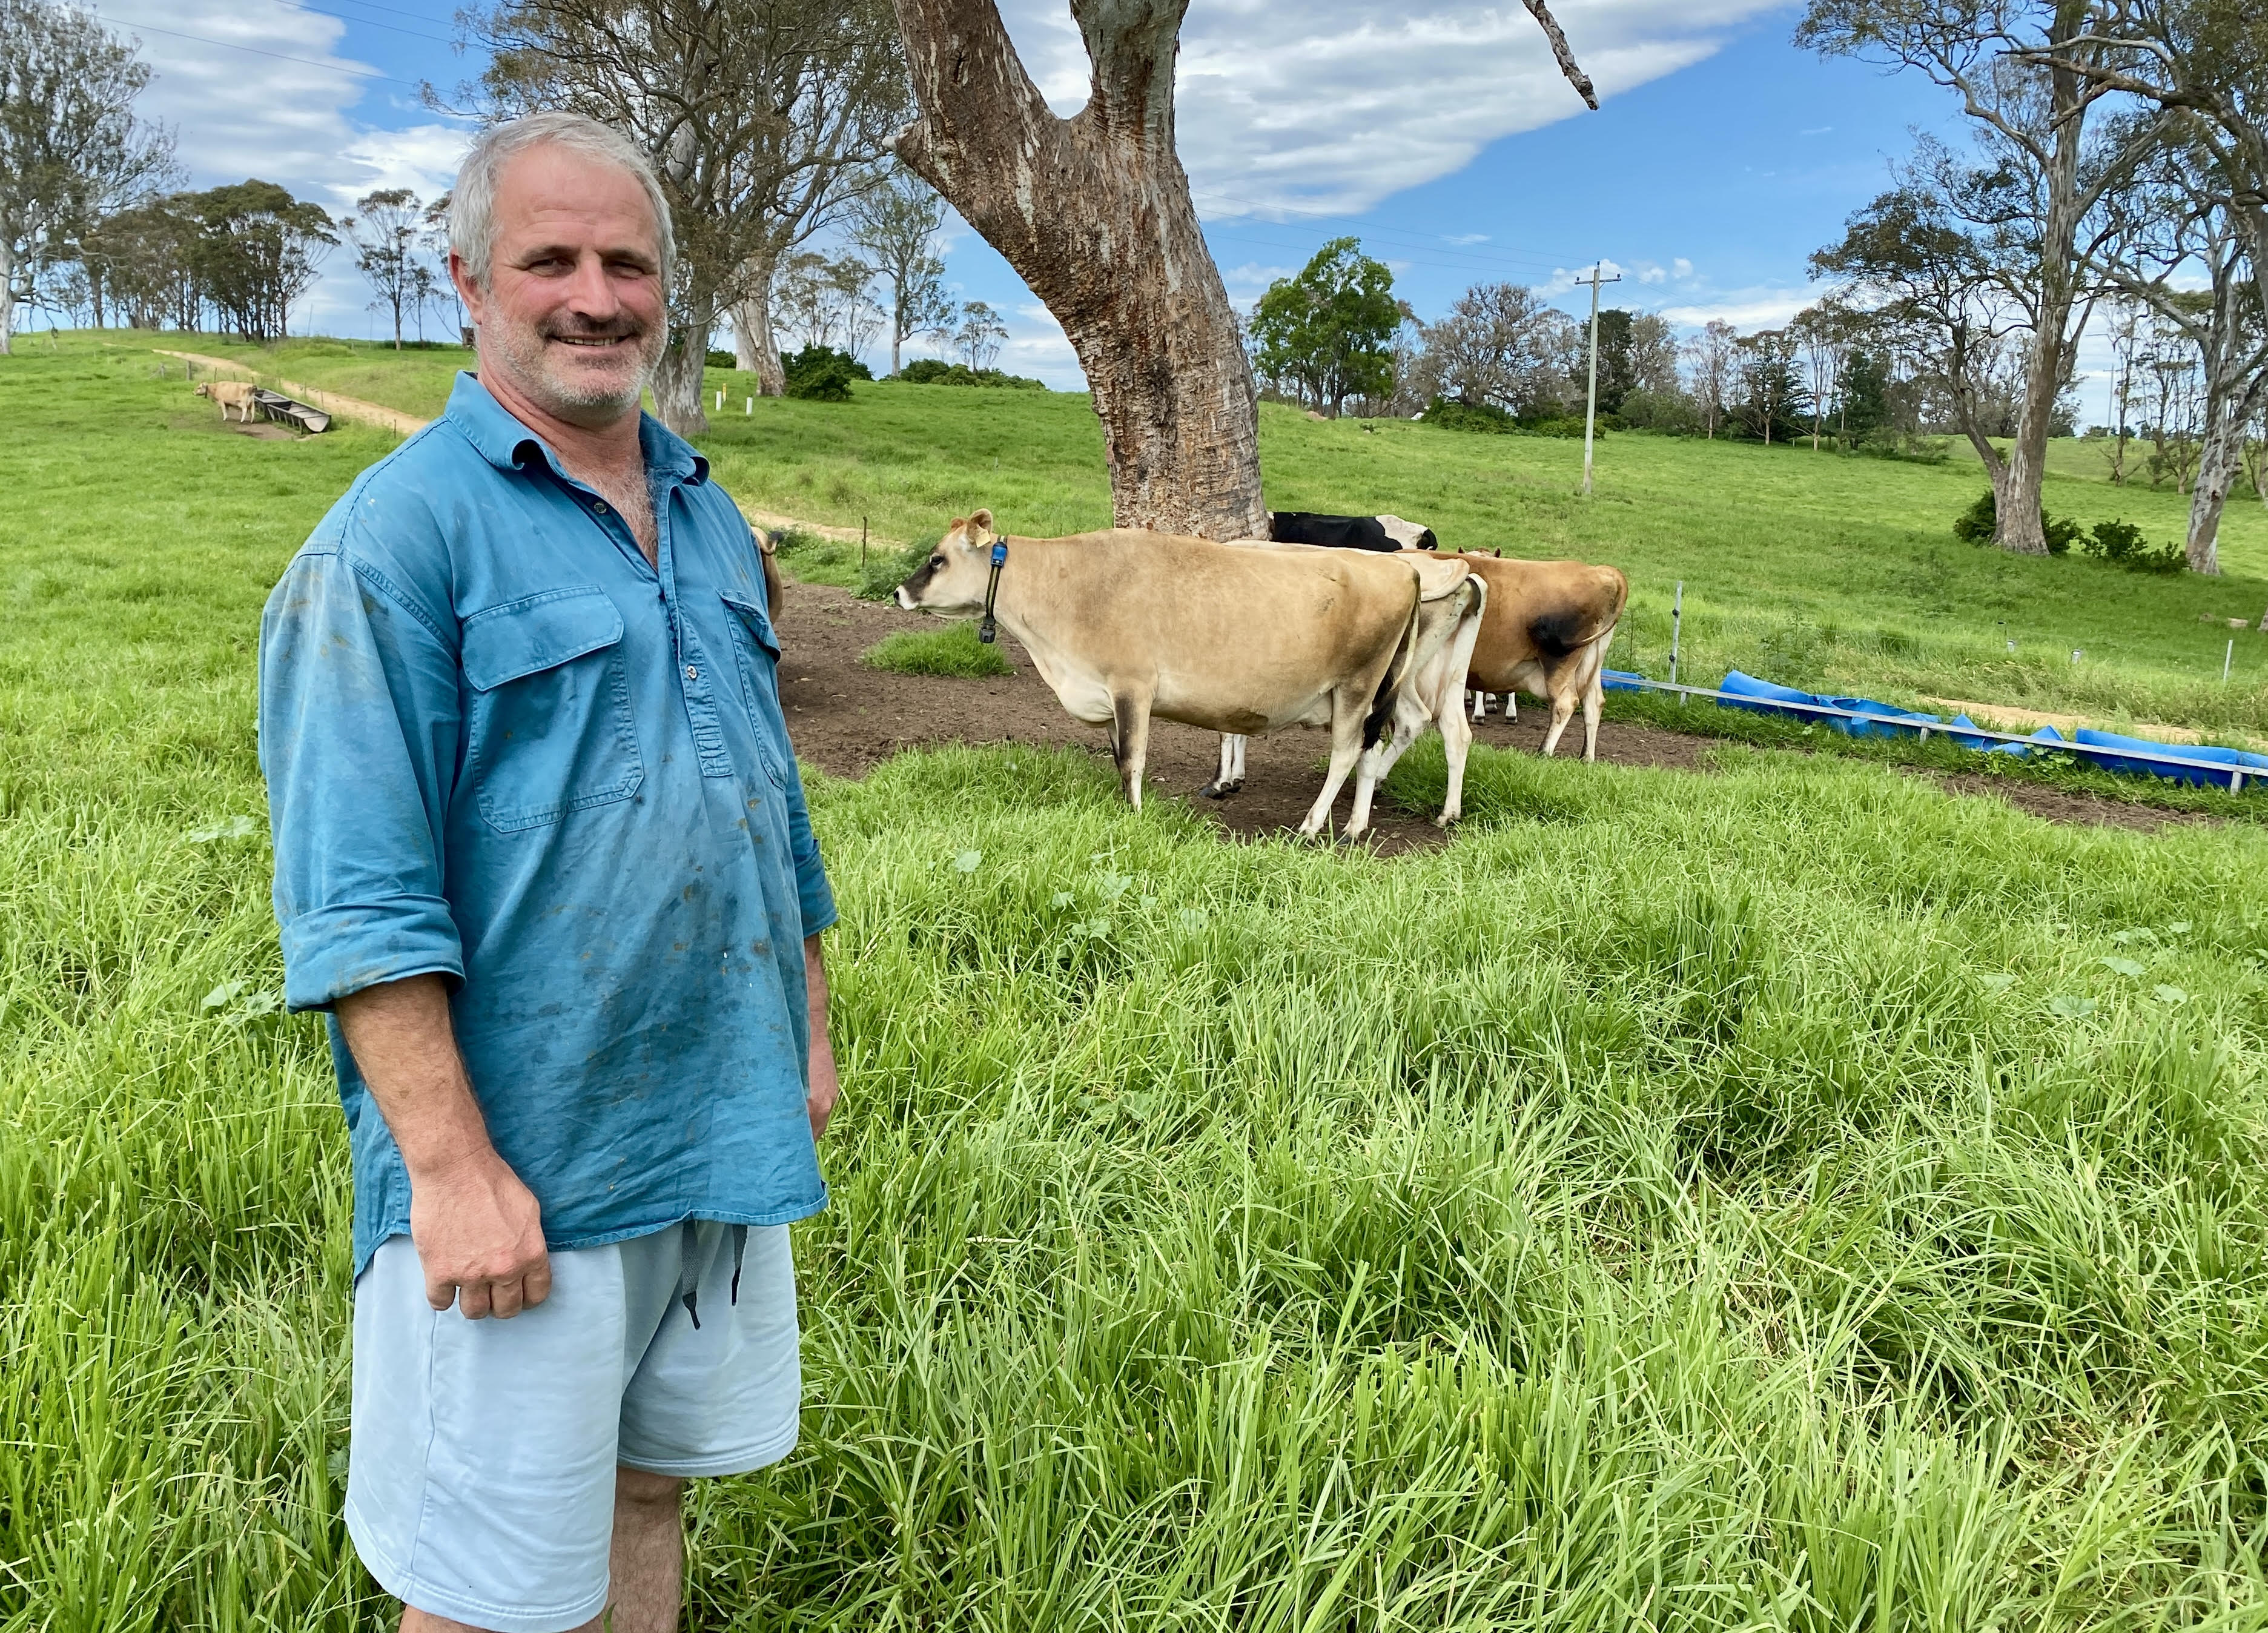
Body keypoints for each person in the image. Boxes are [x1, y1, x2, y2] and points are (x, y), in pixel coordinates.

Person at [259, 111, 839, 1633]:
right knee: (480, 1583)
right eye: (552, 260)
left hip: (715, 1126)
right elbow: (355, 899)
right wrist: (452, 1176)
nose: (596, 296)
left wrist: (810, 1028)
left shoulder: (708, 510)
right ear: (468, 281)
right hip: (524, 1163)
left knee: (647, 1491)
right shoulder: (390, 546)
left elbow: (768, 804)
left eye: (627, 262)